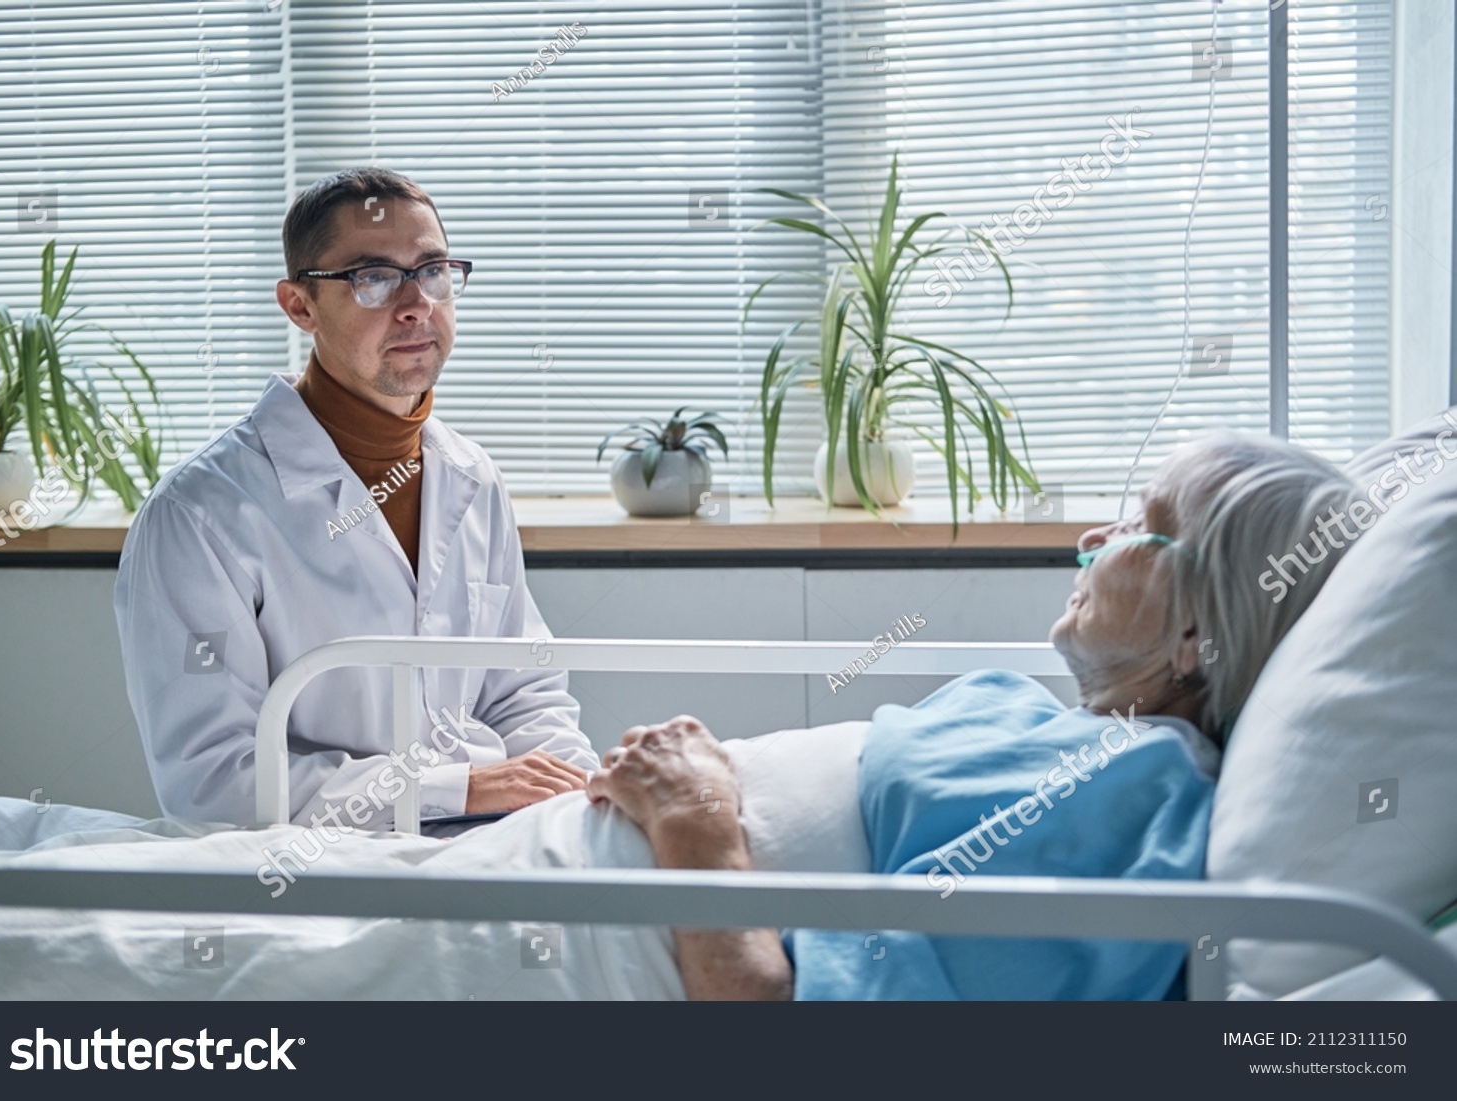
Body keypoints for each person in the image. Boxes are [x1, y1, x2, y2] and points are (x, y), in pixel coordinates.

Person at [586, 432, 1358, 999]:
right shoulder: (1092, 747)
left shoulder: (1135, 796)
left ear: (1196, 633)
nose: (1092, 539)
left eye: (1138, 527)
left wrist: (694, 813)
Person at [115, 166, 599, 829]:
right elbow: (213, 781)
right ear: (299, 305)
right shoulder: (199, 515)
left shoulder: (472, 475)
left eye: (432, 270)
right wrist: (458, 788)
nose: (416, 303)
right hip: (318, 869)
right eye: (373, 278)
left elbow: (525, 693)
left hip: (499, 840)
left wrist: (579, 801)